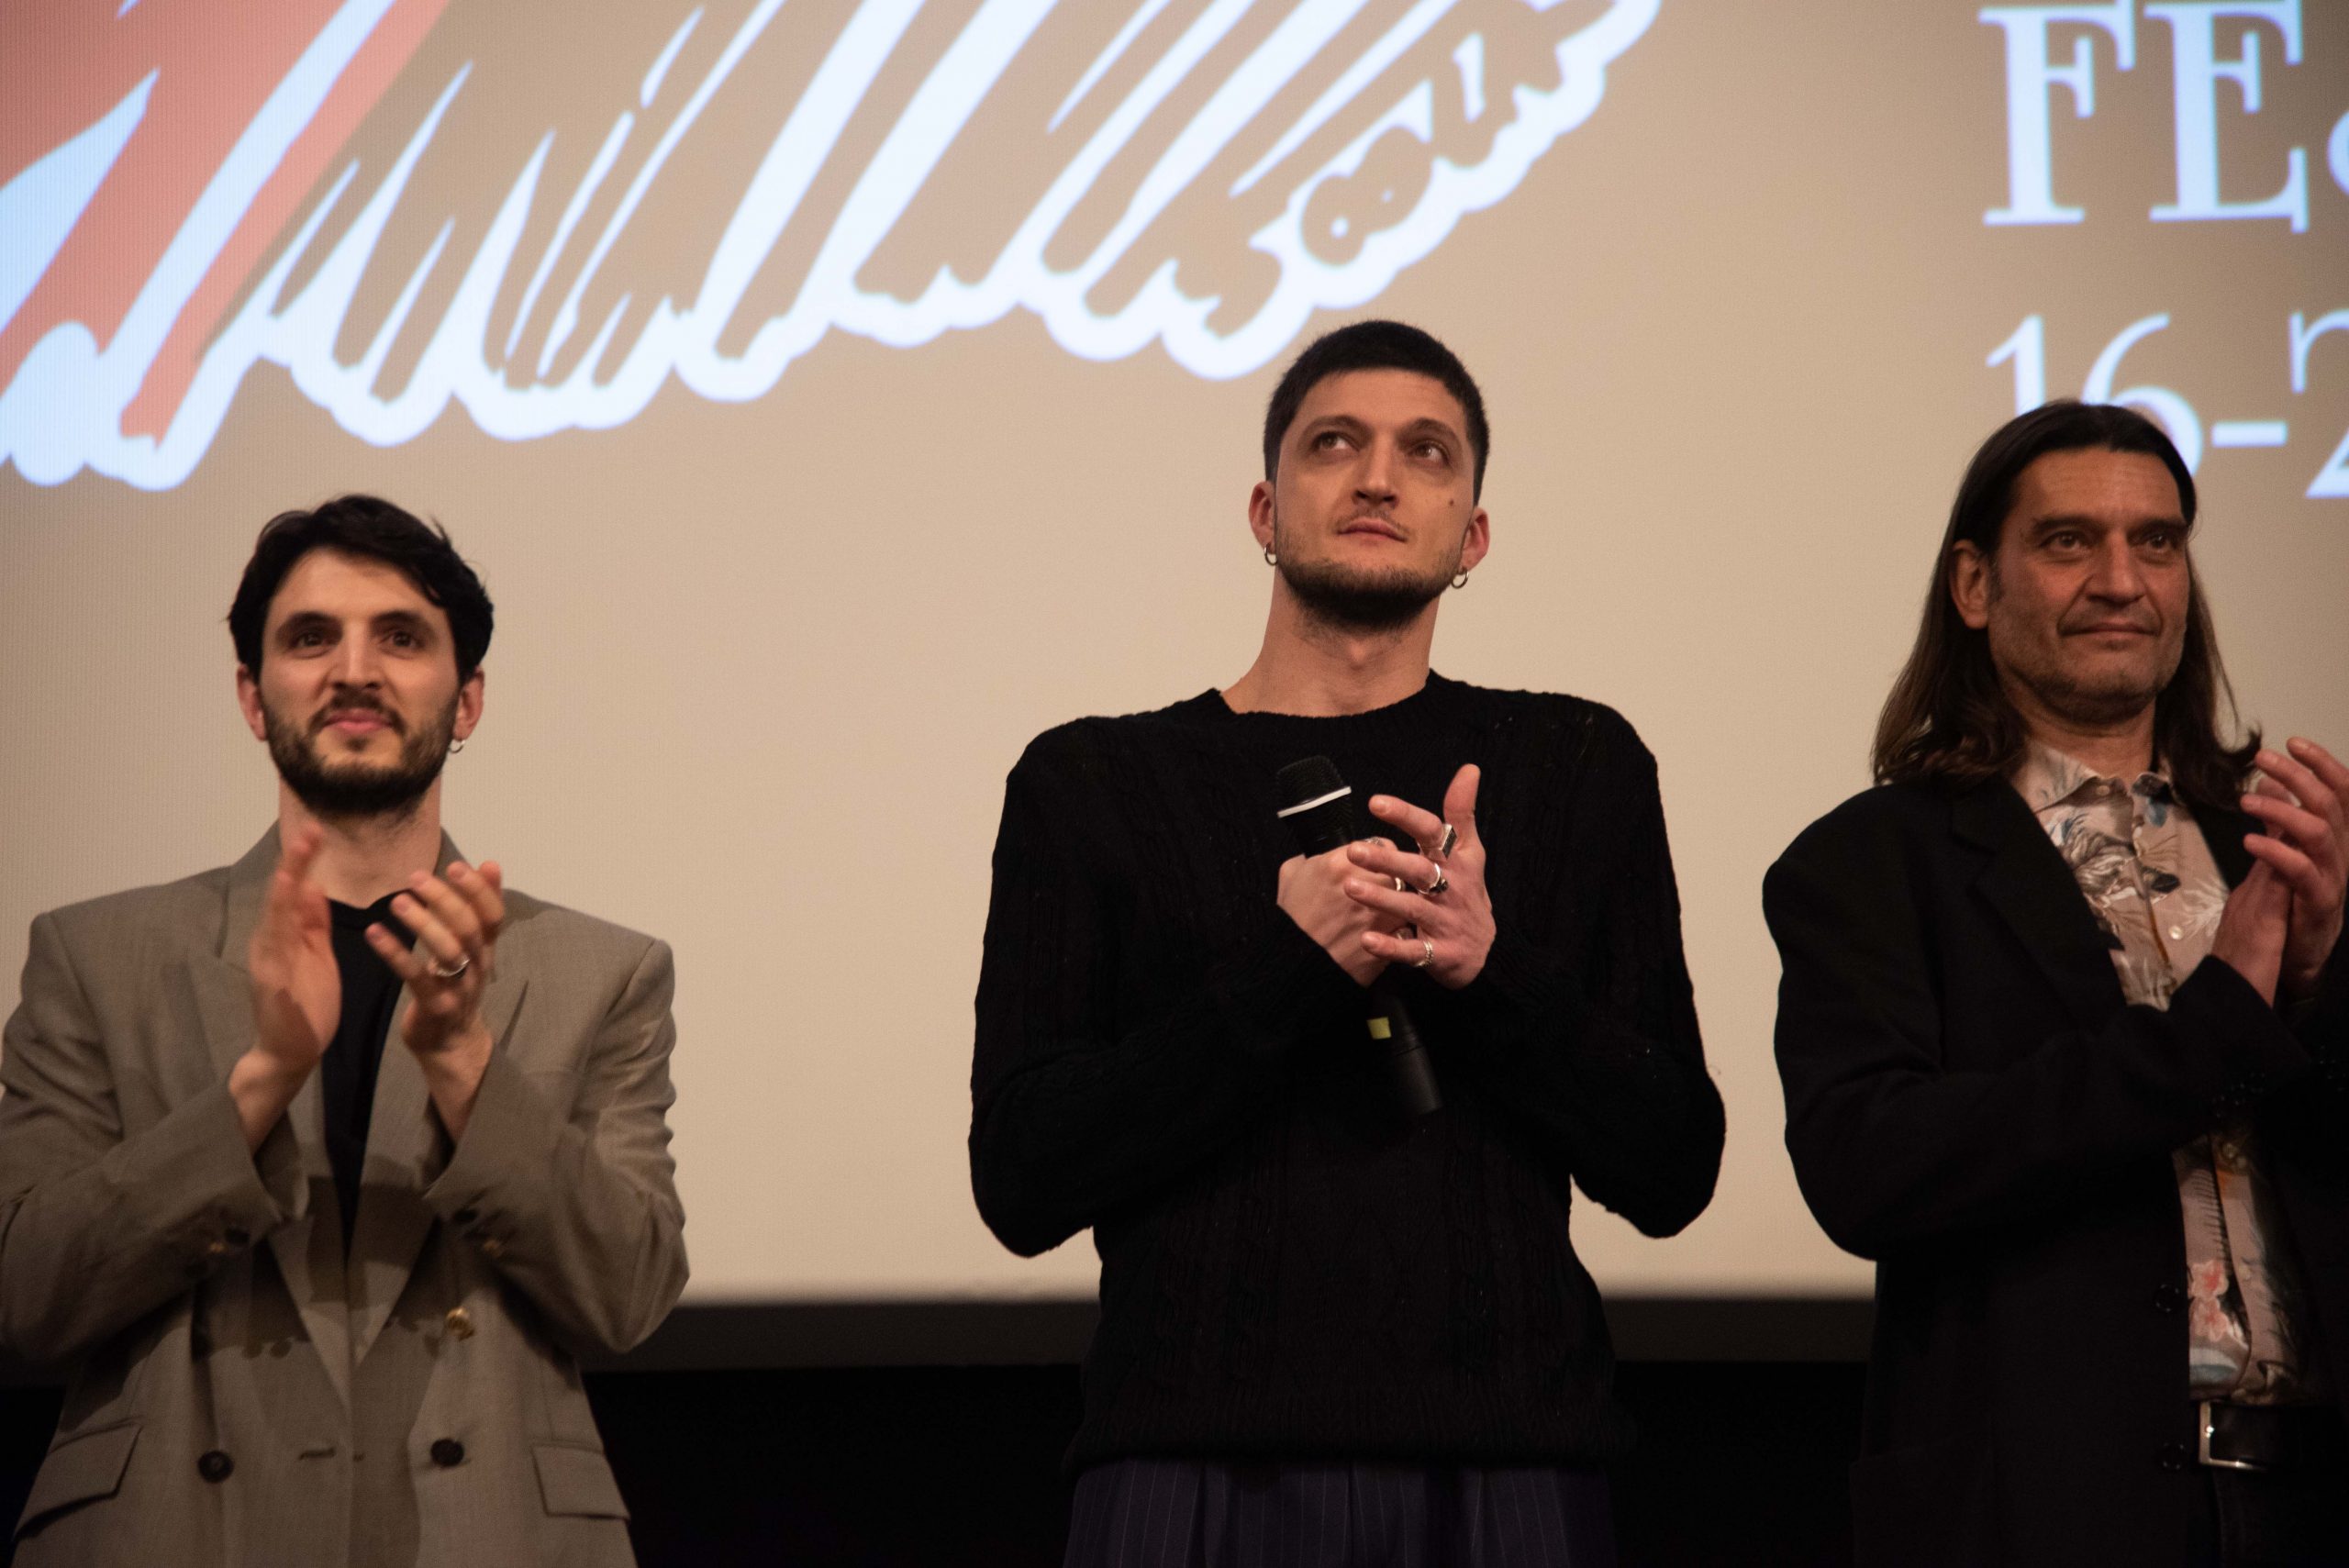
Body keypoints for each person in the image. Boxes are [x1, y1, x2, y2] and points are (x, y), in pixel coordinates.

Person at [969, 320, 1723, 1566]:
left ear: (1472, 536)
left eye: (1427, 452)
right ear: (1265, 512)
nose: (1377, 477)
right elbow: (1022, 1177)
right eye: (1334, 444)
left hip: (1511, 1465)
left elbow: (1673, 1165)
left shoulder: (1574, 763)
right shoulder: (1093, 780)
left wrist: (1486, 967)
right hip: (1186, 1467)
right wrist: (1290, 968)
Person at [0, 495, 687, 1567]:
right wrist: (264, 1076)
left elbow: (629, 1293)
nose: (354, 670)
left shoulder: (600, 971)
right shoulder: (97, 955)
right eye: (311, 637)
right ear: (251, 694)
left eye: (400, 637)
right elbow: (28, 1295)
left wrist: (463, 1061)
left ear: (466, 700)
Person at [1766, 402, 2349, 1566]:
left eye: (2156, 542)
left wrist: (2320, 979)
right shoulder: (1871, 860)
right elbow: (1866, 1167)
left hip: (2312, 1497)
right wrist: (2213, 1028)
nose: (2120, 580)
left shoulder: (2276, 845)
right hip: (2042, 1504)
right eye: (2069, 540)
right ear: (1974, 585)